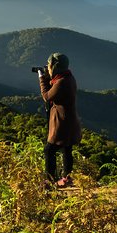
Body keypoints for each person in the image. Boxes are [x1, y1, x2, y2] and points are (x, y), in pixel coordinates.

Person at [38, 52, 81, 187]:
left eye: (50, 66)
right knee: (66, 148)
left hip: (62, 124)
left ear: (56, 66)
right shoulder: (68, 78)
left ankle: (49, 181)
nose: (48, 68)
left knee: (49, 150)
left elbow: (47, 96)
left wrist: (42, 78)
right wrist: (49, 78)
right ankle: (66, 178)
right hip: (70, 122)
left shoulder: (61, 83)